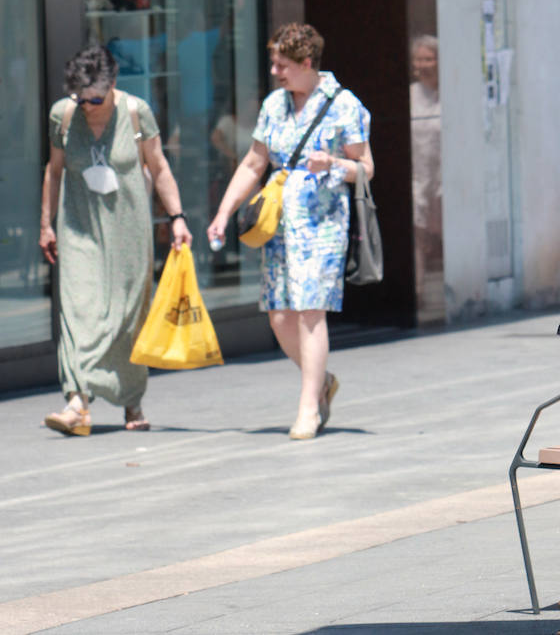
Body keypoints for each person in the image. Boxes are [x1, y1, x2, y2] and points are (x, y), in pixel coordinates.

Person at [206, 22, 373, 441]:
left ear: (305, 62)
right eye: (274, 64)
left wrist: (334, 164)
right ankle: (322, 381)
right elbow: (253, 163)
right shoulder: (274, 105)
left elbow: (366, 168)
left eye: (282, 65)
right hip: (279, 224)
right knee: (280, 315)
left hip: (323, 224)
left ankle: (307, 409)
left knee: (310, 312)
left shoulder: (344, 105)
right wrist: (224, 213)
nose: (276, 72)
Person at [38, 43, 192, 436]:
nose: (88, 104)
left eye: (95, 96)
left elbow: (158, 167)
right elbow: (54, 171)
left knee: (126, 317)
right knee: (78, 312)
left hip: (128, 229)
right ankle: (77, 402)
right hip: (78, 228)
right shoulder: (64, 114)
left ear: (113, 83)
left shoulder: (137, 112)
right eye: (81, 96)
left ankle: (131, 399)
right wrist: (46, 224)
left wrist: (177, 217)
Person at [409, 35, 442, 289]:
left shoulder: (448, 96)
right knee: (417, 236)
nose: (423, 64)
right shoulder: (410, 96)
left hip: (444, 180)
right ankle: (418, 289)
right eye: (419, 59)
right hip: (418, 176)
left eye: (428, 58)